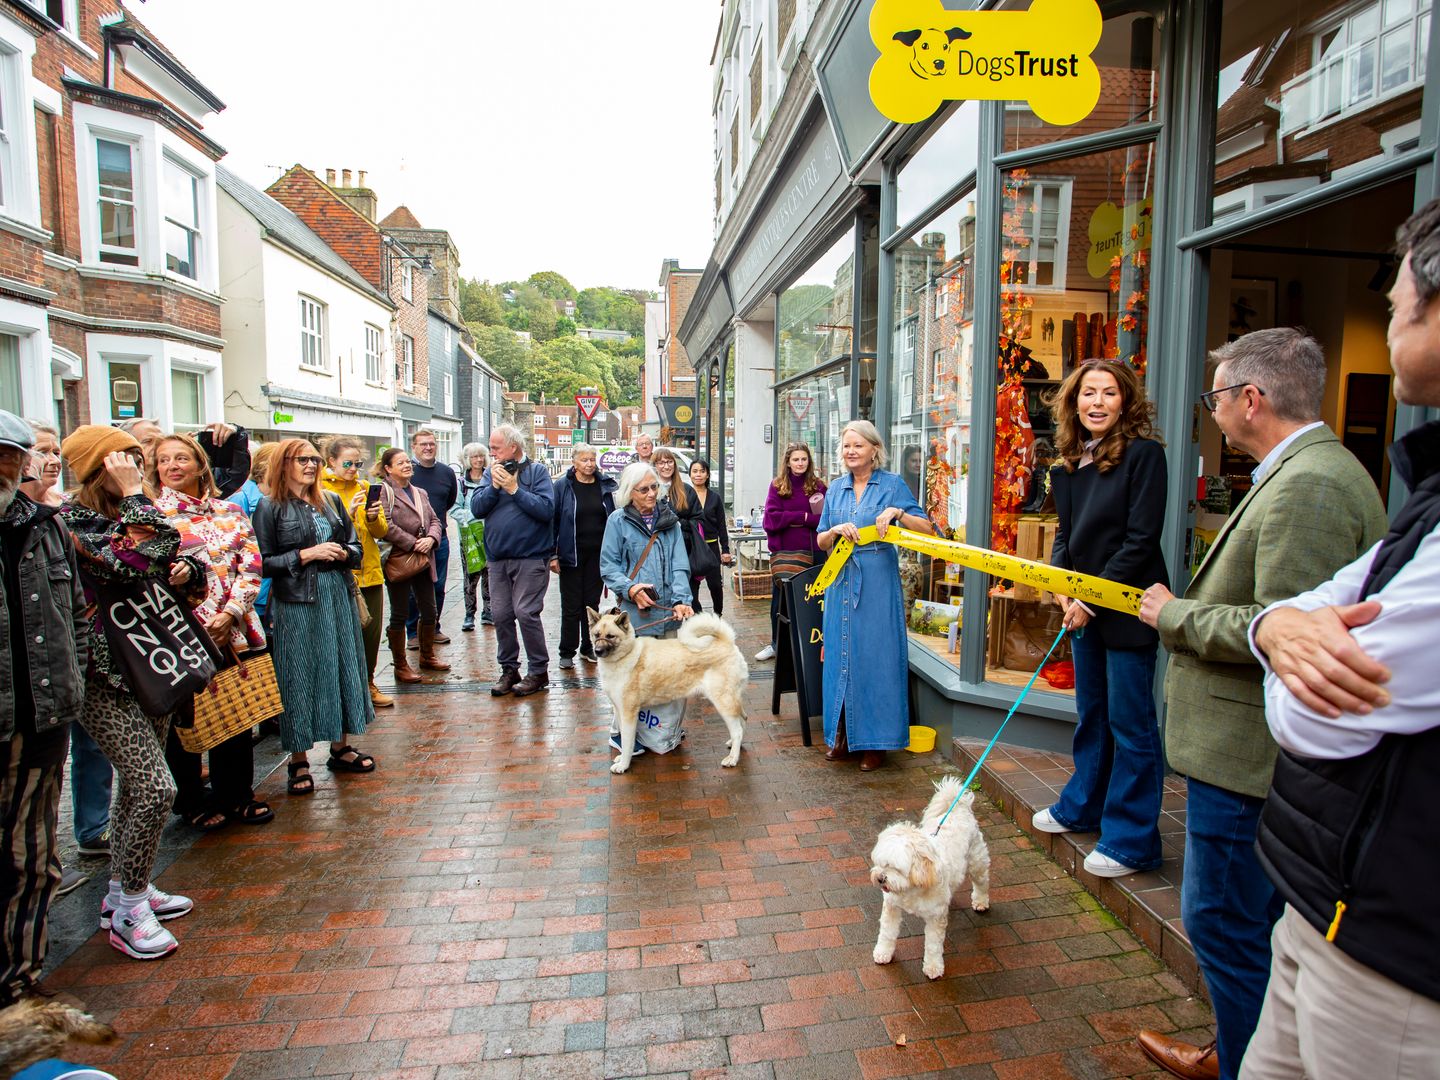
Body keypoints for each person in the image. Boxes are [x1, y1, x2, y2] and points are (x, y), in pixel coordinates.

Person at [1134, 329, 1388, 1080]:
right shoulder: (1305, 472)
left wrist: (1172, 615)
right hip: (1246, 755)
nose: (1211, 411)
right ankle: (1234, 1048)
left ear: (1252, 399)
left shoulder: (1310, 484)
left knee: (1222, 921)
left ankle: (1249, 1063)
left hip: (1250, 761)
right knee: (1250, 924)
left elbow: (1283, 630)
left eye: (1216, 396)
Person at [1239, 201, 1440, 1079]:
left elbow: (1318, 718)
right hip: (1329, 901)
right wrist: (1279, 624)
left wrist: (1278, 637)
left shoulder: (1313, 481)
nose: (1391, 316)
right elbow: (1313, 603)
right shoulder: (1423, 494)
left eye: (1399, 301)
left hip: (1393, 941)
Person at [58, 425, 198, 960]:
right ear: (100, 466)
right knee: (156, 787)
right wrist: (140, 499)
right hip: (101, 675)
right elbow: (133, 560)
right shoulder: (74, 521)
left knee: (136, 792)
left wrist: (188, 572)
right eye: (129, 460)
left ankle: (123, 890)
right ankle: (130, 910)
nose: (139, 467)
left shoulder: (125, 517)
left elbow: (170, 553)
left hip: (149, 663)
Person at [1029, 360, 1170, 878]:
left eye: (1109, 393)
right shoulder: (1068, 464)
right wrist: (1066, 590)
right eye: (1088, 393)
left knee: (1131, 726)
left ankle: (1133, 842)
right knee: (1093, 715)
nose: (1097, 402)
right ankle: (1083, 808)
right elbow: (1066, 537)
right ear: (1073, 402)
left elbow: (1140, 541)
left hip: (1128, 611)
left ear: (1124, 402)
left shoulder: (1144, 456)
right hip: (1083, 609)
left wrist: (1090, 598)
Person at [0, 409, 88, 1003]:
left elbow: (77, 613)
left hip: (43, 716)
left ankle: (20, 981)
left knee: (33, 858)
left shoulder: (45, 527)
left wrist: (70, 683)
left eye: (9, 453)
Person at [150, 433, 272, 832]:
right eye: (164, 460)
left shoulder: (230, 512)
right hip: (182, 637)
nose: (173, 466)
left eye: (181, 457)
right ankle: (190, 800)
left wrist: (234, 611)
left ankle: (237, 794)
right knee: (185, 720)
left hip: (234, 631)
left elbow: (250, 564)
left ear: (200, 464)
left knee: (236, 714)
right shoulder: (151, 516)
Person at [253, 439, 377, 797]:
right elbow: (262, 562)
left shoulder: (332, 501)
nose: (310, 465)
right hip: (297, 602)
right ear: (283, 463)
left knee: (340, 666)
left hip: (336, 596)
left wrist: (341, 553)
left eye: (314, 459)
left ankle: (340, 748)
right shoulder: (269, 506)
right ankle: (299, 759)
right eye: (302, 459)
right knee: (299, 674)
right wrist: (306, 554)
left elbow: (356, 549)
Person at [816, 422, 932, 772]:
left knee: (876, 658)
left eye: (858, 445)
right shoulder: (835, 489)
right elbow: (820, 539)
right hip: (841, 580)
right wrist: (835, 531)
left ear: (874, 450)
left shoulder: (892, 484)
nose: (851, 451)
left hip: (878, 580)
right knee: (840, 656)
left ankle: (875, 741)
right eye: (846, 445)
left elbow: (927, 528)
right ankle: (841, 734)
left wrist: (898, 514)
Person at [470, 424, 556, 697]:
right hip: (498, 558)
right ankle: (509, 669)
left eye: (495, 448)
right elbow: (477, 507)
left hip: (531, 557)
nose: (491, 452)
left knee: (525, 612)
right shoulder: (489, 474)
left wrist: (515, 489)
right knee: (501, 614)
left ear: (513, 448)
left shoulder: (537, 472)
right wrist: (495, 486)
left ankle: (538, 671)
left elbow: (546, 510)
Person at [321, 438, 393, 709]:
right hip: (339, 574)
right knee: (342, 635)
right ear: (331, 462)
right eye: (347, 463)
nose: (353, 469)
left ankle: (368, 684)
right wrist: (348, 516)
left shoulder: (364, 488)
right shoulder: (321, 491)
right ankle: (344, 691)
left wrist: (373, 516)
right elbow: (325, 534)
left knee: (371, 635)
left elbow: (381, 532)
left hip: (370, 571)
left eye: (358, 463)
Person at [374, 447, 448, 684]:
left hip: (424, 559)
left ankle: (427, 656)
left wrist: (431, 539)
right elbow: (384, 525)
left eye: (408, 462)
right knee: (400, 612)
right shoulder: (383, 492)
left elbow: (435, 520)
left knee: (430, 609)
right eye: (401, 463)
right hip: (399, 560)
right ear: (388, 468)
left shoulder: (420, 493)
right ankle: (401, 665)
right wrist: (413, 543)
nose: (407, 466)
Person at [600, 462, 694, 636]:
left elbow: (679, 566)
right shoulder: (617, 521)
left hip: (668, 616)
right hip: (635, 619)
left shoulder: (671, 522)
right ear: (630, 492)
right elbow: (609, 567)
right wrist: (630, 589)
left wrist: (680, 600)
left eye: (654, 487)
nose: (652, 493)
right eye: (644, 490)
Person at [756, 442, 827, 662]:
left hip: (815, 552)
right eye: (796, 459)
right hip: (786, 554)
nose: (800, 463)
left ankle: (811, 643)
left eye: (804, 459)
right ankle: (777, 644)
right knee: (780, 602)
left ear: (809, 461)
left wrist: (793, 518)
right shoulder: (777, 486)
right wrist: (803, 518)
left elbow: (824, 520)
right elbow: (771, 520)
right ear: (788, 461)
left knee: (813, 601)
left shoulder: (818, 486)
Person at [551, 443, 616, 668]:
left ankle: (588, 646)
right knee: (571, 604)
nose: (589, 464)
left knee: (591, 604)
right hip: (571, 555)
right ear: (574, 462)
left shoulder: (603, 485)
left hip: (598, 555)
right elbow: (554, 520)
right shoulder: (563, 486)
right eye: (584, 460)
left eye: (592, 459)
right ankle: (566, 650)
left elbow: (612, 519)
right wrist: (553, 554)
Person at [406, 429, 458, 644]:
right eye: (423, 444)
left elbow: (449, 501)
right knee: (412, 588)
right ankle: (413, 632)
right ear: (414, 447)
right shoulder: (407, 473)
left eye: (431, 444)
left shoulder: (446, 473)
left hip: (440, 539)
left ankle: (432, 627)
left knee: (438, 586)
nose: (428, 448)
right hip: (412, 542)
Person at [452, 443, 492, 631]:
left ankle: (488, 611)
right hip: (469, 537)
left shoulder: (491, 479)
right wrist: (475, 515)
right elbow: (454, 508)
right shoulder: (460, 484)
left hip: (489, 535)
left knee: (489, 575)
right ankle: (470, 614)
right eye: (474, 457)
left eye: (481, 456)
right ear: (467, 459)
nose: (478, 460)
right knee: (470, 576)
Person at [687, 458, 732, 616]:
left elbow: (722, 525)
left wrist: (725, 549)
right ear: (690, 474)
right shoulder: (685, 495)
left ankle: (717, 614)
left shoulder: (715, 498)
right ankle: (697, 616)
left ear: (707, 475)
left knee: (715, 585)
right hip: (691, 547)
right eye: (695, 471)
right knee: (692, 586)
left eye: (702, 471)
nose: (698, 474)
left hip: (711, 547)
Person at [195, 422, 251, 499]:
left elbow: (234, 474)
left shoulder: (207, 492)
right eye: (171, 457)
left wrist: (235, 435)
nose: (173, 465)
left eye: (181, 458)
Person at [19, 420, 63, 507]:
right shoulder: (6, 511)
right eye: (42, 452)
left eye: (56, 453)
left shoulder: (72, 508)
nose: (56, 461)